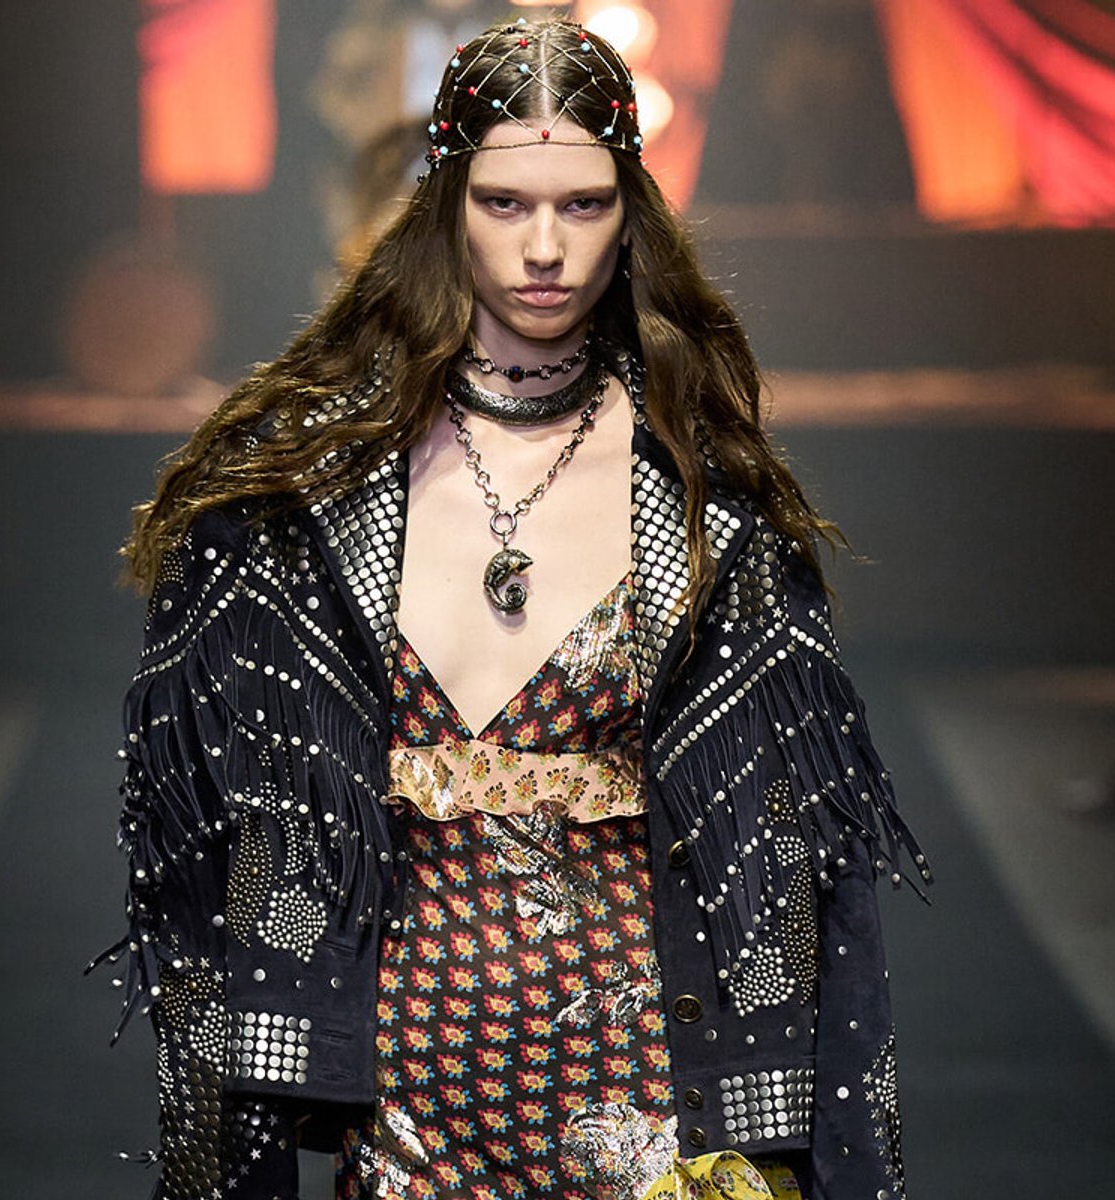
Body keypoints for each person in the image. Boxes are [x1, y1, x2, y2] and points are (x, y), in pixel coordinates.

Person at [96, 18, 930, 1200]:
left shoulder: (706, 503)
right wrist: (218, 1170)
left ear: (632, 213)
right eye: (504, 203)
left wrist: (840, 1168)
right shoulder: (310, 499)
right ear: (445, 205)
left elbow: (805, 871)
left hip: (655, 1111)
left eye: (584, 205)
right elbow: (207, 872)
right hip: (403, 1120)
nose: (546, 248)